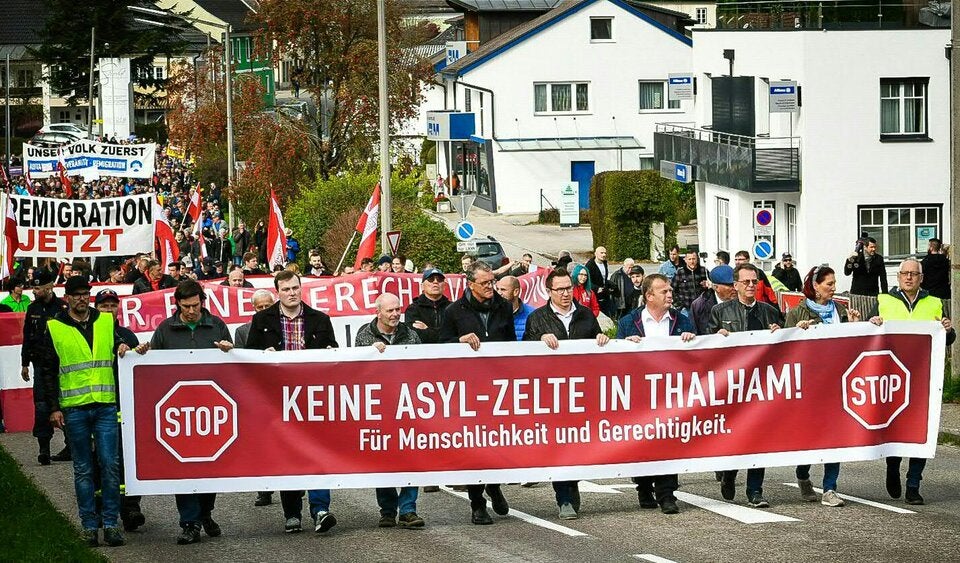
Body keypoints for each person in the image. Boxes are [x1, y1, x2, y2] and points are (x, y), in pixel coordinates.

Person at [140, 279, 234, 545]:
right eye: (186, 306)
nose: (192, 311)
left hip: (212, 409)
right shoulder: (165, 330)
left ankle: (205, 512)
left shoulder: (215, 325)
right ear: (177, 304)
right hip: (179, 411)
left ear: (202, 302)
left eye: (196, 305)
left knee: (212, 465)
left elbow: (231, 366)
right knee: (184, 467)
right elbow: (153, 369)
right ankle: (189, 522)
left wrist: (228, 351)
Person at [246, 270, 340, 533]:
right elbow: (250, 356)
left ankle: (320, 509)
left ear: (301, 289)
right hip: (277, 399)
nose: (292, 293)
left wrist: (331, 352)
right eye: (286, 289)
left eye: (295, 288)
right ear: (278, 291)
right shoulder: (262, 319)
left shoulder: (320, 319)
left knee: (318, 453)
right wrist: (263, 356)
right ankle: (292, 512)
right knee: (287, 454)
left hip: (313, 397)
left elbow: (332, 349)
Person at [36, 277, 125, 547]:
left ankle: (110, 524)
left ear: (89, 295)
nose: (81, 299)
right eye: (75, 295)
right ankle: (89, 525)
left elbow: (120, 345)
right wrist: (53, 408)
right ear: (67, 298)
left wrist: (123, 347)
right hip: (74, 409)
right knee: (84, 470)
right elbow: (48, 371)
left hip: (105, 406)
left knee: (110, 466)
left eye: (85, 294)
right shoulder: (54, 327)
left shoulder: (106, 321)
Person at [523, 268, 609, 520]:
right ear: (548, 291)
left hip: (583, 393)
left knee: (579, 444)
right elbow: (525, 355)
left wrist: (602, 339)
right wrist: (539, 338)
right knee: (559, 445)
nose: (564, 293)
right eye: (559, 289)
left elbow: (595, 342)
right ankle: (565, 497)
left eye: (568, 288)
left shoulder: (584, 314)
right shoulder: (538, 318)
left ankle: (572, 484)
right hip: (553, 394)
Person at [868, 258, 955, 505]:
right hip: (892, 378)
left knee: (921, 432)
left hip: (923, 378)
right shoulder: (884, 301)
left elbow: (948, 338)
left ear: (921, 278)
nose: (909, 278)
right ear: (898, 277)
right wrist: (872, 323)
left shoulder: (934, 302)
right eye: (905, 273)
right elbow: (866, 335)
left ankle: (913, 484)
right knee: (895, 428)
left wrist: (948, 330)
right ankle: (892, 466)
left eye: (914, 274)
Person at [439, 261, 514, 525]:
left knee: (495, 444)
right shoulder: (453, 311)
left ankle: (493, 485)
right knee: (473, 447)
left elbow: (510, 346)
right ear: (470, 284)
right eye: (484, 283)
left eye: (492, 281)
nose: (491, 287)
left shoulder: (503, 307)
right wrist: (456, 342)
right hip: (467, 390)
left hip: (497, 389)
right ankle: (477, 503)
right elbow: (438, 347)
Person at [616, 274, 695, 515]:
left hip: (670, 393)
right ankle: (643, 486)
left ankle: (667, 493)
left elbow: (699, 354)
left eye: (670, 290)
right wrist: (625, 345)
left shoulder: (681, 321)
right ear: (649, 296)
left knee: (668, 442)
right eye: (664, 291)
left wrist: (692, 341)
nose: (670, 295)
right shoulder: (630, 321)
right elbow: (615, 358)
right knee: (642, 441)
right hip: (640, 393)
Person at [785, 266, 861, 507]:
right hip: (810, 384)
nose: (834, 288)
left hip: (838, 382)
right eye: (829, 284)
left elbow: (852, 344)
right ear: (816, 286)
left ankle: (830, 488)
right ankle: (803, 473)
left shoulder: (840, 310)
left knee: (834, 437)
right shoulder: (798, 312)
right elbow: (784, 347)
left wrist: (858, 325)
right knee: (810, 436)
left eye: (834, 283)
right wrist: (797, 332)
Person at [708, 263, 783, 508]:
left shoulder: (769, 312)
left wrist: (779, 332)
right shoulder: (720, 311)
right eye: (747, 282)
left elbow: (785, 346)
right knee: (735, 436)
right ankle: (728, 473)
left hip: (761, 385)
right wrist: (716, 338)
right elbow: (706, 348)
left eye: (755, 282)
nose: (751, 286)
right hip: (733, 385)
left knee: (759, 438)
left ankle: (755, 490)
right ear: (736, 284)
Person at [355, 293, 426, 528]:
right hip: (380, 407)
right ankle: (387, 509)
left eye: (398, 309)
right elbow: (358, 370)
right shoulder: (364, 335)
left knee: (410, 456)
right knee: (383, 457)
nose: (395, 314)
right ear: (378, 312)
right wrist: (371, 354)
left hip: (407, 406)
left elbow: (421, 366)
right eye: (390, 311)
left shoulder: (410, 334)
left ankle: (408, 509)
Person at [93, 288, 146, 531]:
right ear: (96, 308)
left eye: (113, 305)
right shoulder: (88, 334)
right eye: (104, 306)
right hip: (96, 407)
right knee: (101, 460)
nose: (109, 310)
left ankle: (130, 507)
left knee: (129, 460)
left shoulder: (128, 335)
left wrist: (138, 352)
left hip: (125, 410)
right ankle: (102, 507)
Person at [21, 269, 69, 465]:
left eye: (38, 287)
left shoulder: (63, 308)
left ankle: (71, 446)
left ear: (50, 287)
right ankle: (44, 449)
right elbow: (27, 336)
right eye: (33, 287)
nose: (34, 290)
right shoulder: (33, 309)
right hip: (40, 365)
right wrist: (24, 363)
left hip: (62, 365)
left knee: (65, 405)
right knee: (41, 407)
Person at [404, 268, 451, 346]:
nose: (435, 282)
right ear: (422, 286)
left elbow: (455, 334)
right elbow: (416, 337)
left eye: (439, 280)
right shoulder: (413, 309)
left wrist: (427, 330)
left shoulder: (452, 308)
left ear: (444, 286)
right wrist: (441, 333)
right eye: (431, 279)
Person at [690, 265, 736, 335]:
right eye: (730, 285)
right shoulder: (699, 305)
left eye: (735, 284)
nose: (735, 288)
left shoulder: (744, 302)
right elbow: (694, 332)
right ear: (716, 287)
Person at [496, 275, 534, 341]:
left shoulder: (533, 314)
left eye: (503, 290)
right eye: (497, 289)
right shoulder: (491, 314)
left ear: (516, 292)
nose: (499, 293)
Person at [585, 246, 615, 317]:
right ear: (595, 254)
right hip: (595, 294)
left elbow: (604, 278)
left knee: (611, 312)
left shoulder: (604, 263)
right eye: (601, 253)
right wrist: (596, 288)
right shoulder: (590, 265)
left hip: (604, 293)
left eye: (605, 253)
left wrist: (611, 284)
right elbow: (587, 281)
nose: (604, 255)